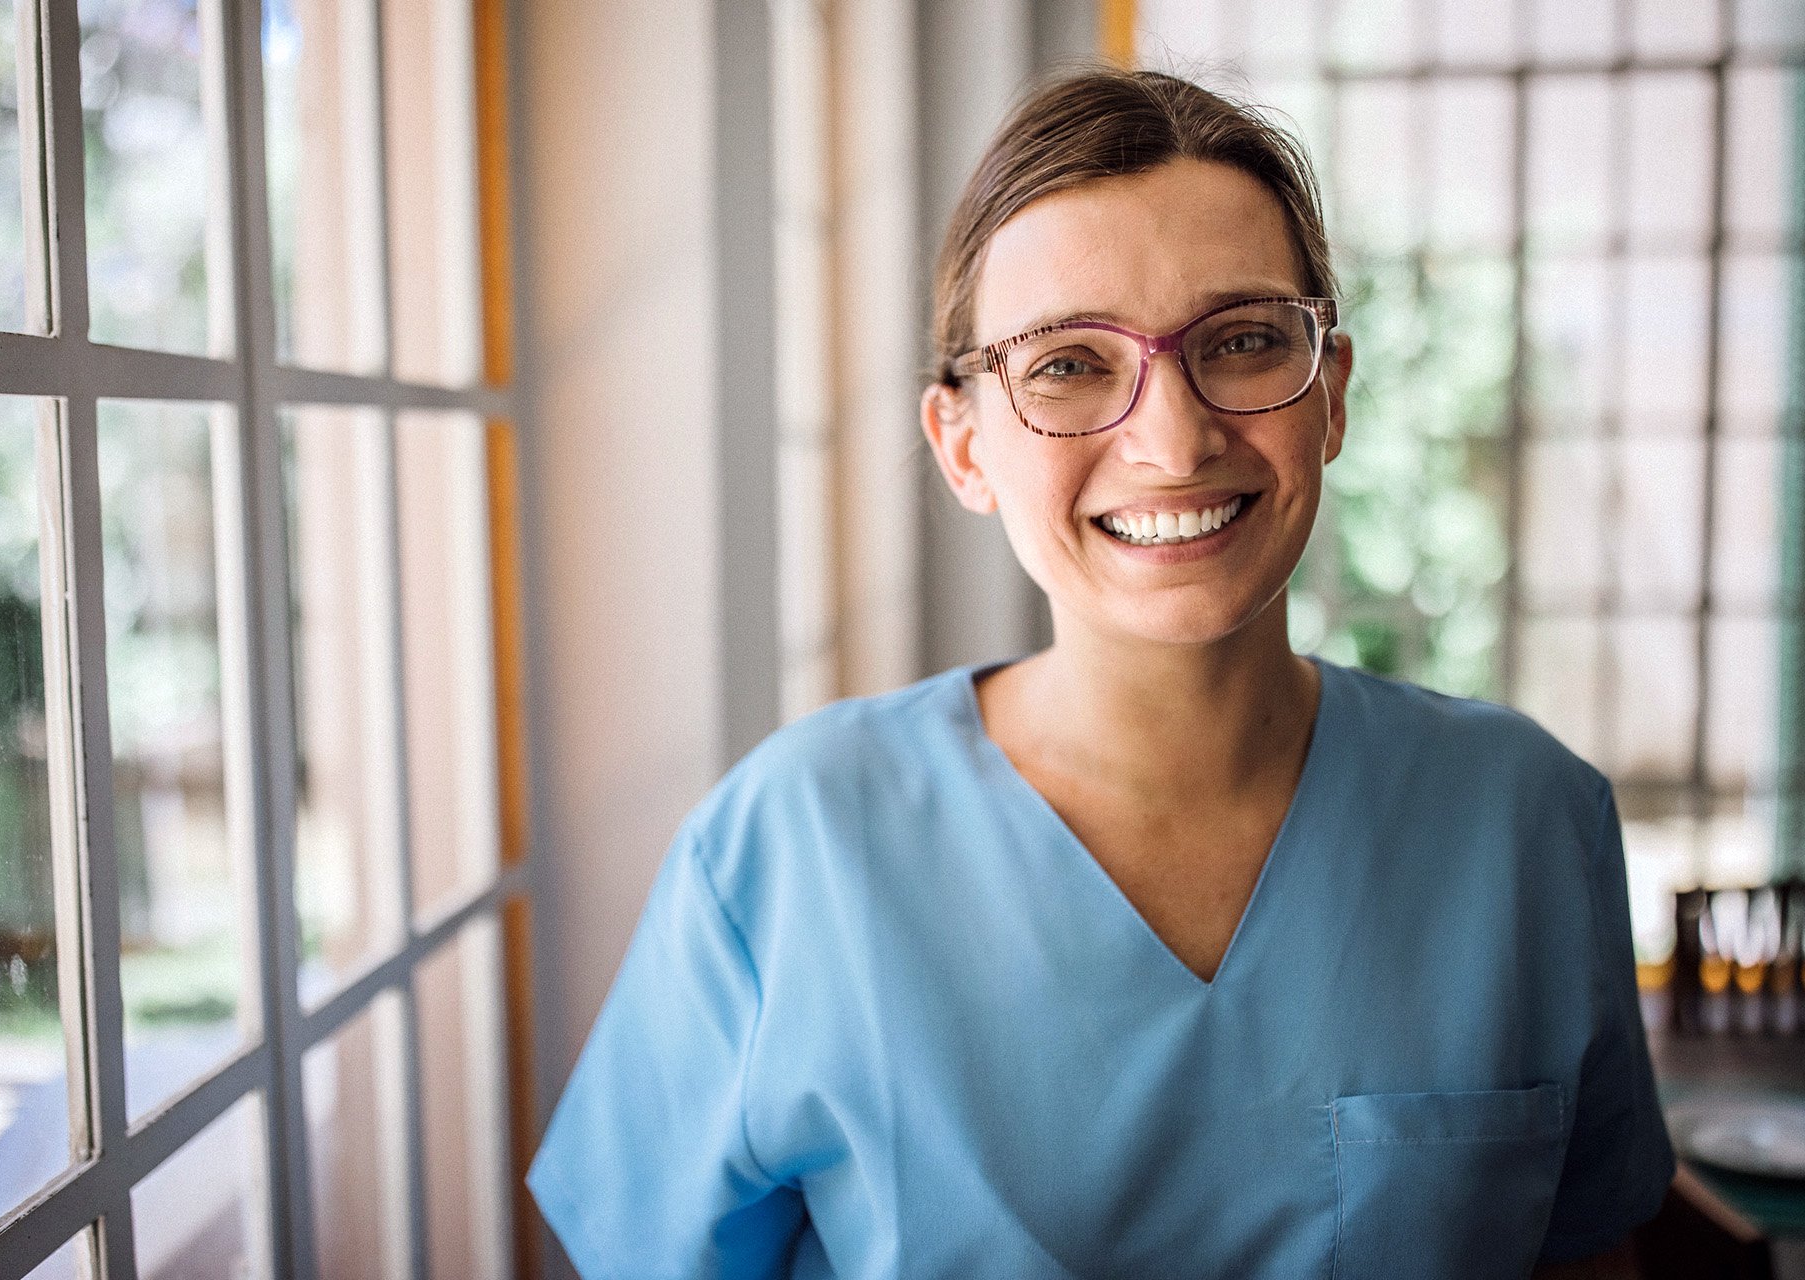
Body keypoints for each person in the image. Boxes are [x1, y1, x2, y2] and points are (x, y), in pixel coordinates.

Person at [527, 68, 1674, 1278]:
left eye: (1239, 341)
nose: (1173, 440)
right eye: (1069, 363)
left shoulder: (1526, 818)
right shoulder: (790, 845)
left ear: (1329, 395)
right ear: (962, 443)